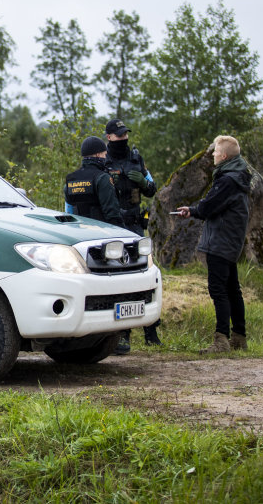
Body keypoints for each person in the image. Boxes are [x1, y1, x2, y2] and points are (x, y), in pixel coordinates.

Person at [176, 135, 252, 354]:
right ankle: (239, 337)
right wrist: (193, 210)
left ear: (225, 156)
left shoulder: (227, 180)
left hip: (220, 240)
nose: (213, 155)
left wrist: (193, 210)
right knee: (232, 289)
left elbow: (209, 206)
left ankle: (222, 340)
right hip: (231, 240)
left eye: (216, 152)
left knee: (219, 290)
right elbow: (212, 206)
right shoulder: (238, 177)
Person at [105, 118, 160, 351]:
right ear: (109, 137)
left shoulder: (136, 159)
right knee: (118, 278)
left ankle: (151, 331)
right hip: (114, 225)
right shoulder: (103, 161)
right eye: (119, 135)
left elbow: (152, 187)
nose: (123, 138)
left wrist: (144, 183)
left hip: (136, 225)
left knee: (144, 273)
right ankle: (122, 334)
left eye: (125, 134)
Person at [64, 136, 122, 227]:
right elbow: (113, 215)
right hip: (102, 234)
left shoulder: (71, 180)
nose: (105, 157)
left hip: (79, 234)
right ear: (98, 155)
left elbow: (68, 214)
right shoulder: (102, 178)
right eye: (104, 154)